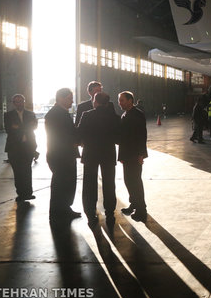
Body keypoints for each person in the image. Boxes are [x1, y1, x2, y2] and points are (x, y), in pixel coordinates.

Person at [77, 92, 120, 226]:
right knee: (109, 183)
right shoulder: (114, 117)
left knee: (89, 184)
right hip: (108, 153)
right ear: (107, 103)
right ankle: (110, 213)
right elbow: (118, 138)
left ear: (95, 102)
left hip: (90, 153)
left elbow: (79, 134)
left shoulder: (87, 115)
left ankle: (90, 214)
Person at [45, 88, 81, 221]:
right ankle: (58, 212)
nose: (72, 101)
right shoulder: (56, 114)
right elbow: (61, 135)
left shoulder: (61, 113)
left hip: (64, 154)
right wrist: (76, 140)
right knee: (61, 184)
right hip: (60, 155)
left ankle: (64, 209)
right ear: (60, 98)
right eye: (69, 98)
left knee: (67, 183)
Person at [118, 91, 148, 222]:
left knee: (135, 182)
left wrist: (141, 154)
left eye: (122, 100)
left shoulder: (137, 114)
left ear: (130, 100)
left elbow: (142, 135)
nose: (120, 103)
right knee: (128, 181)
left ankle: (142, 210)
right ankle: (134, 203)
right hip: (127, 154)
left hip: (135, 154)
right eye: (119, 100)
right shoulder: (125, 114)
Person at [4, 94, 38, 202]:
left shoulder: (31, 114)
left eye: (21, 101)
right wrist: (26, 126)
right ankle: (21, 194)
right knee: (18, 172)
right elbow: (9, 129)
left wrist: (18, 127)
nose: (19, 103)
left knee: (27, 171)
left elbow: (34, 126)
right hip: (14, 148)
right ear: (14, 103)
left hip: (28, 147)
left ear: (24, 102)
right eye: (16, 101)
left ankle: (28, 193)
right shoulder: (8, 115)